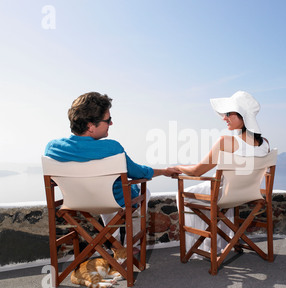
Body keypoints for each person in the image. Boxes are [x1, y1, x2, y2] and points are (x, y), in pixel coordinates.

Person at [44, 92, 181, 245]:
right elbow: (138, 172)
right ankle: (129, 245)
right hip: (111, 202)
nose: (111, 124)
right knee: (141, 192)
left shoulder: (52, 148)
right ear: (90, 126)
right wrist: (164, 171)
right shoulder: (112, 148)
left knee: (103, 192)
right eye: (107, 120)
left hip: (76, 203)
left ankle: (113, 242)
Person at [173, 90, 270, 259]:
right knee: (223, 196)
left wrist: (178, 168)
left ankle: (203, 245)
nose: (224, 118)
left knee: (181, 194)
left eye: (228, 114)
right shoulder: (265, 144)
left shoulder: (226, 142)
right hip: (249, 195)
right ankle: (223, 242)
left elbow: (197, 171)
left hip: (225, 196)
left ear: (242, 116)